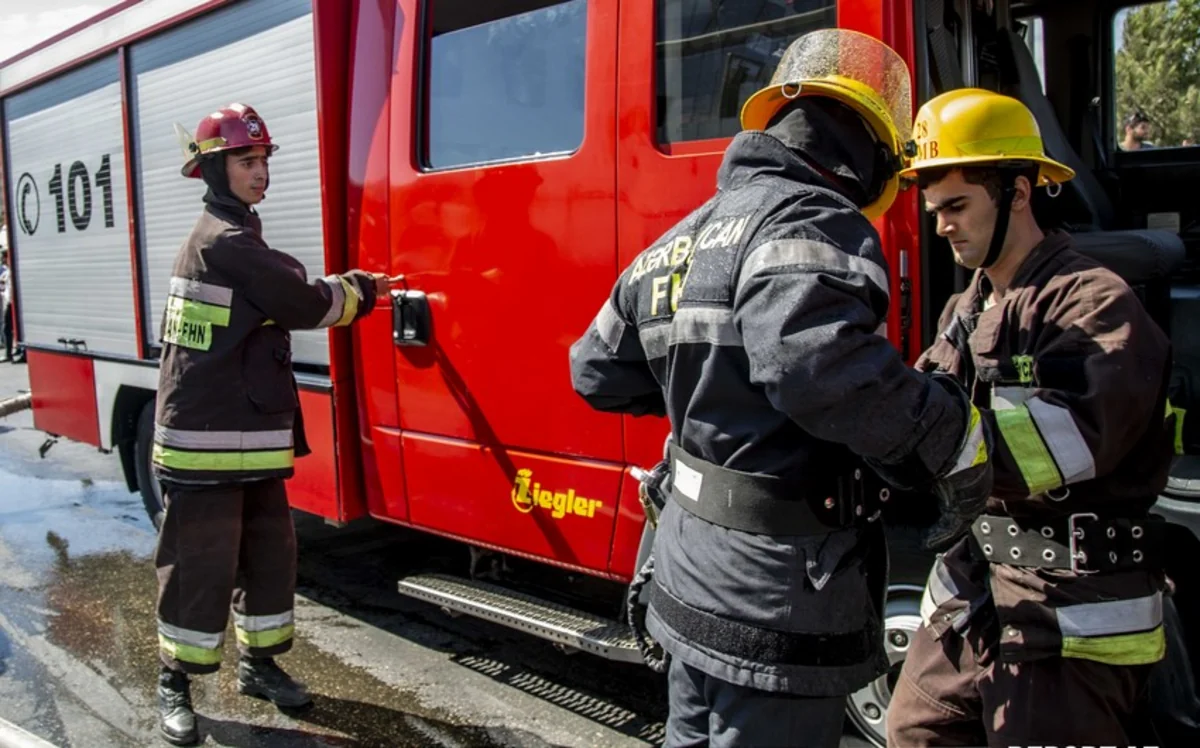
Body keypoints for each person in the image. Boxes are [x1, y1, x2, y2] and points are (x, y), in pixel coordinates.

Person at [569, 30, 994, 748]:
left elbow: (595, 371)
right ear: (870, 152)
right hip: (774, 597)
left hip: (687, 575)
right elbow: (815, 368)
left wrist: (706, 394)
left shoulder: (677, 240)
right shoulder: (817, 218)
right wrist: (951, 438)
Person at [887, 88, 1175, 746]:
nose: (942, 226)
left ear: (1018, 192)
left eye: (957, 206)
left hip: (1070, 605)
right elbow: (926, 414)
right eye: (935, 210)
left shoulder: (1094, 305)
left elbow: (1058, 449)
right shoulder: (967, 307)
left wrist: (923, 429)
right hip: (975, 591)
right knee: (915, 730)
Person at [153, 103, 394, 746]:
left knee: (269, 556)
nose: (260, 172)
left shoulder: (237, 234)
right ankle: (173, 682)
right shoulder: (224, 242)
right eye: (245, 161)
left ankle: (259, 666)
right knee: (198, 567)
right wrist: (364, 290)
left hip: (246, 432)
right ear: (214, 170)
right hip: (206, 441)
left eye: (263, 160)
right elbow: (303, 301)